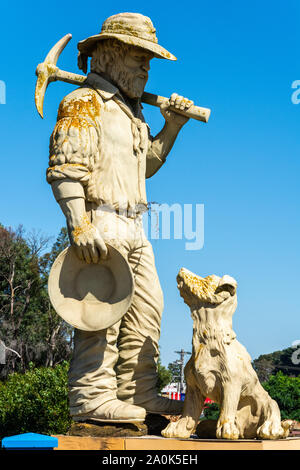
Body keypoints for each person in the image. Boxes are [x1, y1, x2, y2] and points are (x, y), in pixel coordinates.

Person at [47, 12, 193, 423]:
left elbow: (144, 166)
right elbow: (66, 168)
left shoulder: (134, 114)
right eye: (137, 59)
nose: (146, 69)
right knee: (100, 310)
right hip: (101, 219)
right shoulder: (83, 102)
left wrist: (173, 126)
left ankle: (138, 391)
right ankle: (91, 395)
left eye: (149, 61)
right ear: (109, 55)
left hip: (137, 225)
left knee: (148, 311)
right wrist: (79, 222)